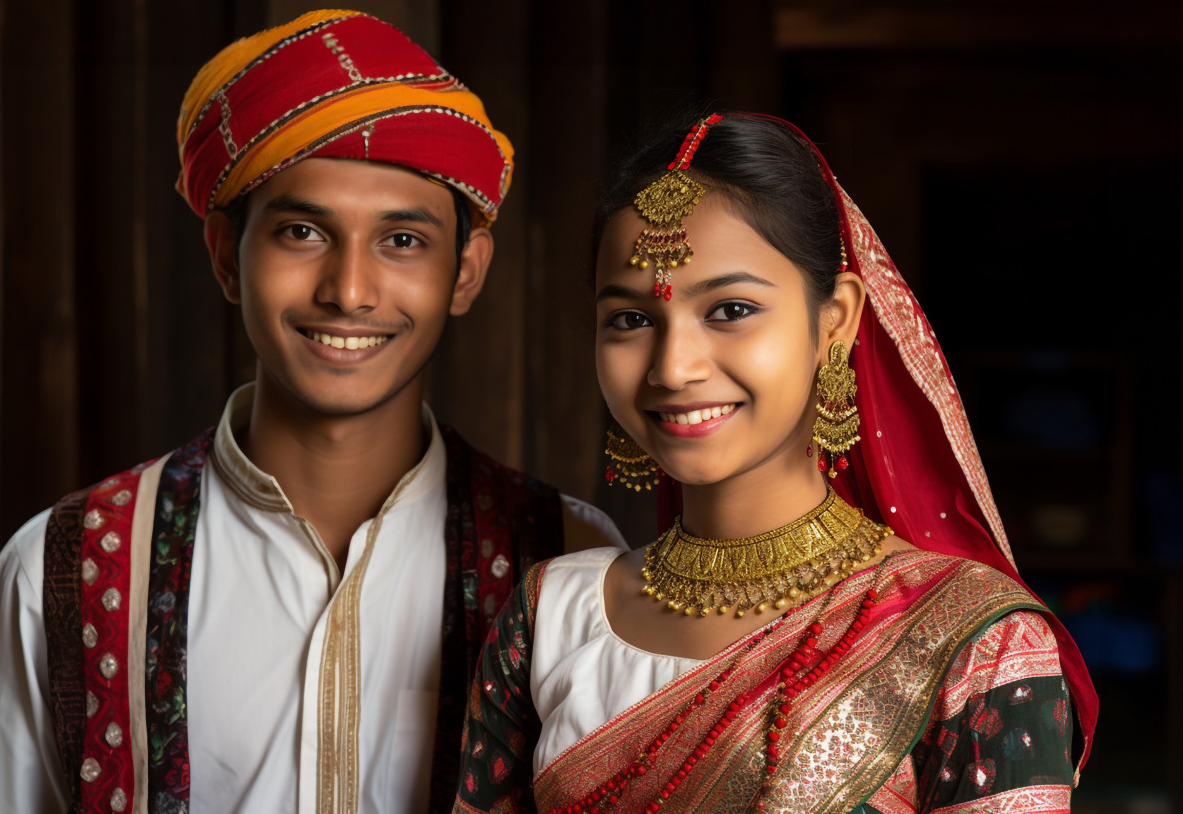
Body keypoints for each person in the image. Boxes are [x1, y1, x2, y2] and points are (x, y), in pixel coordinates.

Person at [0, 9, 620, 814]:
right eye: (302, 231)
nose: (349, 289)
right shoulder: (61, 567)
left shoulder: (572, 568)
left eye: (402, 241)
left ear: (466, 271)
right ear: (226, 256)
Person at [452, 112, 1097, 813]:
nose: (673, 367)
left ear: (837, 320)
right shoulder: (550, 614)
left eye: (730, 309)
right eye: (631, 319)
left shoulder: (967, 638)